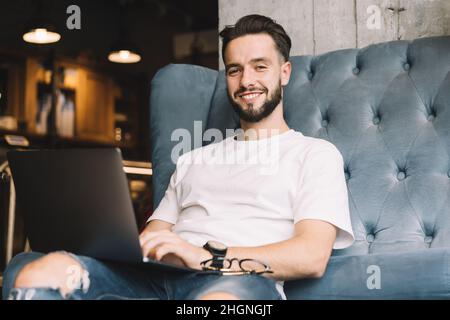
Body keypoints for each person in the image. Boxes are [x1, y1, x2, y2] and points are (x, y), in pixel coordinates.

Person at [2, 14, 354, 300]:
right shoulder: (193, 160)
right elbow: (154, 235)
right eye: (234, 69)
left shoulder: (315, 155)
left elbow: (311, 257)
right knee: (42, 271)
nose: (246, 80)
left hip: (236, 284)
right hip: (153, 281)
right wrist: (141, 247)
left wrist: (204, 257)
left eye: (260, 66)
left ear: (284, 72)